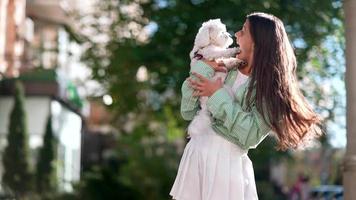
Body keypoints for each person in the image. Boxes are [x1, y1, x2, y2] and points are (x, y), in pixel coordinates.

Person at [169, 12, 322, 200]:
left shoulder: (269, 91)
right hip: (196, 156)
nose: (236, 35)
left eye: (243, 31)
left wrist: (216, 95)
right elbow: (187, 111)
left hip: (225, 165)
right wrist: (204, 68)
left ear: (257, 43)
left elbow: (249, 134)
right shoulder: (226, 67)